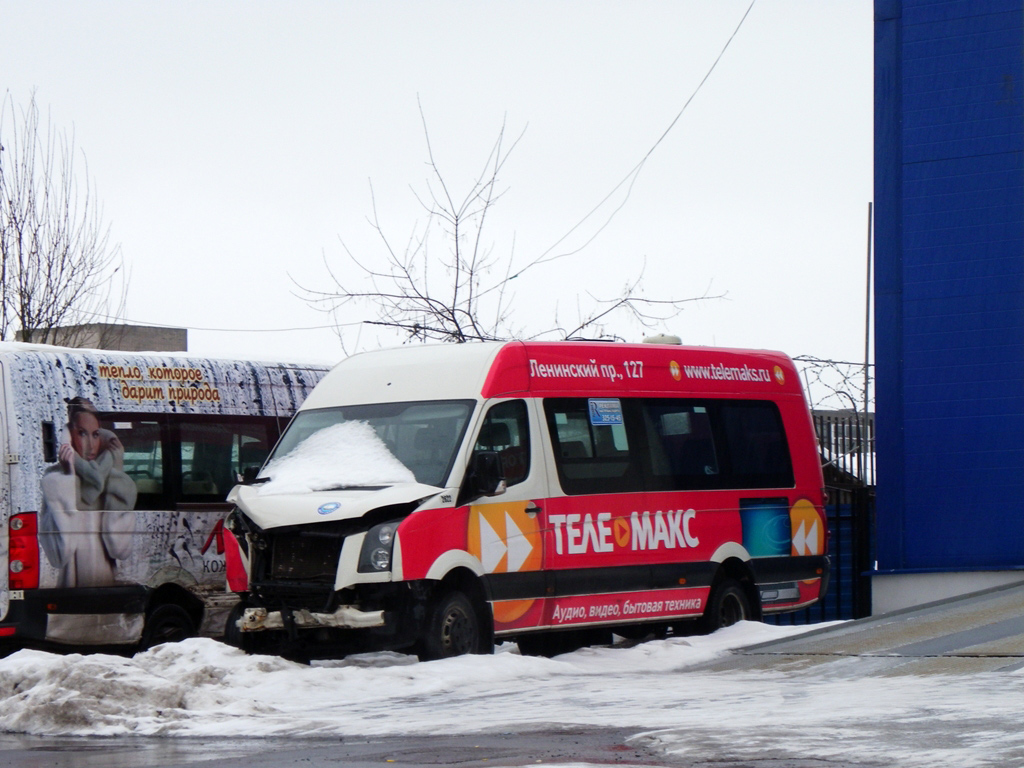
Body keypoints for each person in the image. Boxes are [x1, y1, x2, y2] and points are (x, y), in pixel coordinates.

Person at [39, 398, 137, 588]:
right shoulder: (55, 481)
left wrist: (116, 475)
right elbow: (58, 555)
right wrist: (68, 479)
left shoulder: (115, 480)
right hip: (70, 594)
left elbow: (120, 549)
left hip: (107, 589)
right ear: (68, 437)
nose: (90, 445)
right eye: (82, 433)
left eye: (95, 434)